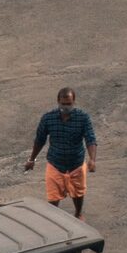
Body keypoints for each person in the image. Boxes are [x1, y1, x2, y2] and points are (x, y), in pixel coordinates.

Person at [25, 86, 97, 218]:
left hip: (76, 163)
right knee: (53, 198)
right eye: (63, 104)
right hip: (55, 164)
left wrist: (92, 159)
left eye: (68, 104)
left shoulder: (83, 118)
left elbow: (90, 139)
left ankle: (78, 213)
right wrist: (31, 160)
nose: (65, 107)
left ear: (74, 102)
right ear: (58, 102)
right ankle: (55, 220)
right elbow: (40, 140)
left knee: (78, 193)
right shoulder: (48, 118)